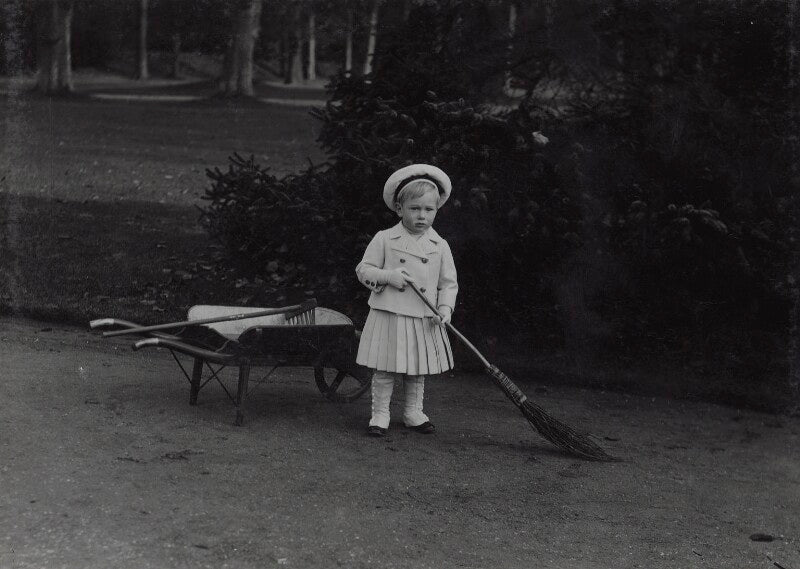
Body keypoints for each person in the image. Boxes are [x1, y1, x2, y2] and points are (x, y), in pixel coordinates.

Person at [355, 164, 458, 436]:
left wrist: (445, 308)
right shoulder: (385, 239)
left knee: (416, 368)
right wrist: (388, 276)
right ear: (400, 209)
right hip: (390, 313)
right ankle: (380, 414)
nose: (422, 215)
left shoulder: (440, 245)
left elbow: (448, 283)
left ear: (437, 210)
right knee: (385, 367)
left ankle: (413, 412)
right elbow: (363, 270)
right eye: (415, 208)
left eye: (429, 209)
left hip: (423, 316)